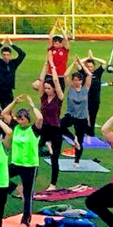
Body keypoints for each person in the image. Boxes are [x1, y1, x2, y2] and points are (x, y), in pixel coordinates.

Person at [1, 95, 43, 226]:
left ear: (28, 120)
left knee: (27, 194)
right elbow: (4, 113)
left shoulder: (34, 130)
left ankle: (26, 218)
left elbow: (40, 118)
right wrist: (14, 102)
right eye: (19, 119)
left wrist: (32, 104)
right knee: (0, 177)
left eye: (23, 119)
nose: (20, 122)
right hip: (16, 163)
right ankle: (16, 187)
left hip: (30, 165)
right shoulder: (16, 127)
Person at [60, 56, 92, 166]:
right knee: (59, 126)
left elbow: (90, 75)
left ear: (81, 81)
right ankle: (73, 139)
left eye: (77, 80)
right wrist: (73, 63)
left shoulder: (85, 89)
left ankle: (77, 160)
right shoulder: (70, 88)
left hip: (81, 118)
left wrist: (82, 65)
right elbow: (65, 75)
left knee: (81, 140)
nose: (75, 82)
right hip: (71, 116)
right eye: (74, 80)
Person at [38, 61, 65, 190]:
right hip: (44, 128)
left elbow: (56, 79)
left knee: (55, 158)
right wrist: (45, 65)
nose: (47, 90)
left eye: (49, 88)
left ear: (54, 88)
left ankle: (53, 184)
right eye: (46, 88)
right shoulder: (43, 97)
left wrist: (53, 67)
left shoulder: (59, 98)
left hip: (55, 130)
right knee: (34, 151)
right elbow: (41, 79)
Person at [0, 36, 26, 109]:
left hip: (7, 92)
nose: (6, 57)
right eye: (4, 55)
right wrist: (1, 44)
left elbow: (22, 54)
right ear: (1, 55)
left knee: (7, 112)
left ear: (10, 55)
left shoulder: (13, 63)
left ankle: (3, 117)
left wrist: (12, 45)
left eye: (7, 55)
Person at [80, 51, 107, 137]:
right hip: (85, 99)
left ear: (94, 67)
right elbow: (78, 62)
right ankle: (83, 131)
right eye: (88, 66)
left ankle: (91, 133)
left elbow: (104, 63)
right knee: (84, 116)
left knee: (93, 116)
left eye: (91, 66)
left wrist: (93, 58)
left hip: (95, 99)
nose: (90, 68)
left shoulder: (97, 73)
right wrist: (88, 58)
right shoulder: (83, 73)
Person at [47, 21, 70, 91]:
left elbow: (66, 38)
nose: (55, 45)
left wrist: (60, 27)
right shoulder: (51, 49)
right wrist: (54, 26)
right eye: (54, 43)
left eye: (57, 43)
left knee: (60, 93)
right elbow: (50, 38)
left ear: (61, 43)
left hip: (61, 75)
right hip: (51, 74)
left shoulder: (64, 50)